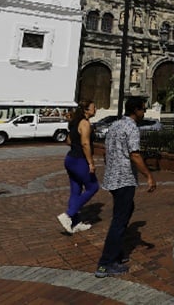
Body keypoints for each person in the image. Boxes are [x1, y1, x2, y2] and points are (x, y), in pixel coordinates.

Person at [95, 97, 157, 277]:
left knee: (127, 210)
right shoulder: (131, 128)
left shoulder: (115, 125)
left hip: (113, 178)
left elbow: (106, 151)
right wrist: (149, 175)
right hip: (124, 179)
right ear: (135, 110)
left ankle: (118, 254)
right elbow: (135, 155)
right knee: (119, 221)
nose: (144, 113)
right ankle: (105, 263)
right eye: (143, 109)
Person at [57, 100, 99, 234]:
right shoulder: (85, 123)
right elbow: (85, 144)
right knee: (93, 187)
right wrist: (91, 163)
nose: (96, 109)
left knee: (75, 190)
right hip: (80, 160)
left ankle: (75, 223)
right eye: (93, 107)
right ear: (86, 110)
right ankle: (68, 215)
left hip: (70, 159)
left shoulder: (75, 123)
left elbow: (68, 141)